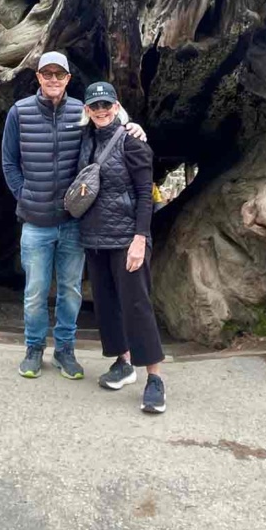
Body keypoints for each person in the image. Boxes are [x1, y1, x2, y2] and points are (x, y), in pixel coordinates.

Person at [1, 52, 145, 381]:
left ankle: (65, 349)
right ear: (38, 76)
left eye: (59, 74)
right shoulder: (19, 112)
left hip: (72, 221)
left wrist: (133, 126)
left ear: (67, 78)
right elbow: (9, 161)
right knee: (36, 291)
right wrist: (23, 194)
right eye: (47, 73)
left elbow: (108, 127)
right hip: (35, 222)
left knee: (70, 290)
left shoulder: (81, 111)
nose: (53, 79)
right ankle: (34, 348)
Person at [78, 81, 166, 414]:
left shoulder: (133, 143)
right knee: (106, 304)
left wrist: (140, 240)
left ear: (116, 106)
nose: (101, 111)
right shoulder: (85, 142)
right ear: (87, 110)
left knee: (137, 305)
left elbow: (146, 195)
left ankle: (154, 378)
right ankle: (123, 362)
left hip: (128, 238)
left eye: (106, 105)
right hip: (94, 238)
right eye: (94, 106)